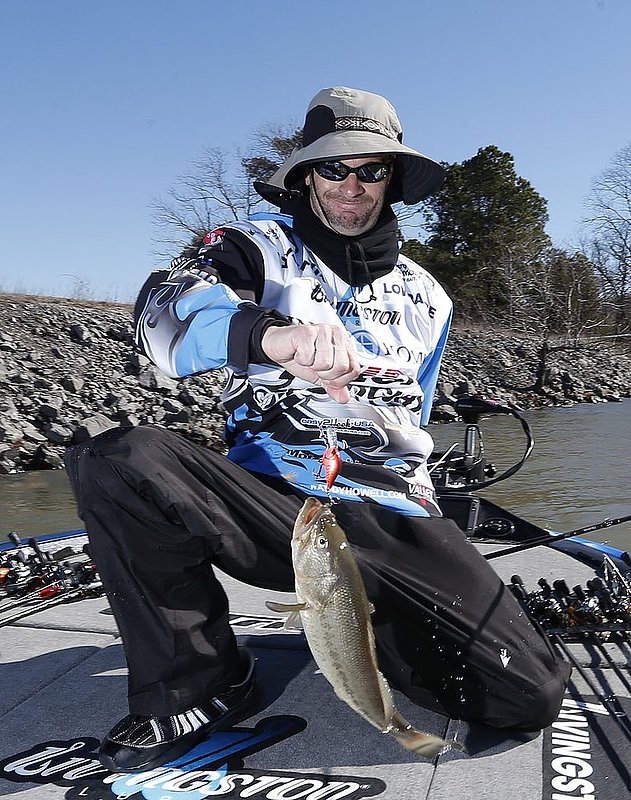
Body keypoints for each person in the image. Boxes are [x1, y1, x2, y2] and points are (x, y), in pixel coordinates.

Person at [65, 86, 570, 772]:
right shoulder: (250, 248)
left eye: (371, 170)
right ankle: (200, 683)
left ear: (391, 179)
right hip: (278, 506)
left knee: (527, 696)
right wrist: (268, 336)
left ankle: (378, 626)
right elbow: (161, 313)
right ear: (305, 175)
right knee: (119, 457)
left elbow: (415, 415)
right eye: (333, 168)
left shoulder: (430, 296)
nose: (351, 186)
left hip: (393, 512)